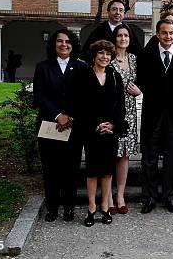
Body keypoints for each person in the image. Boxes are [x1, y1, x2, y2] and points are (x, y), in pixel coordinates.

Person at [68, 40, 126, 227]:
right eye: (101, 53)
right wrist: (94, 125)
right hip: (91, 130)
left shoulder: (115, 76)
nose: (105, 57)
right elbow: (78, 105)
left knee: (108, 171)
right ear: (94, 56)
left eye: (108, 54)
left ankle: (105, 207)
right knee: (93, 171)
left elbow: (120, 106)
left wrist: (114, 125)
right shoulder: (83, 75)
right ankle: (91, 208)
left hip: (110, 131)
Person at [33, 29, 87, 222]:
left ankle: (69, 208)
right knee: (51, 168)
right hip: (50, 125)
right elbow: (39, 95)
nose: (64, 45)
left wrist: (70, 116)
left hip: (73, 126)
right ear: (53, 44)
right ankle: (52, 207)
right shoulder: (43, 67)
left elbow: (84, 96)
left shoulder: (81, 67)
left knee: (71, 168)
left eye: (68, 42)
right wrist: (58, 115)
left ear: (73, 45)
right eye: (59, 41)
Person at [137, 19, 173, 214]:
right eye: (164, 33)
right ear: (157, 34)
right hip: (152, 112)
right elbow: (140, 82)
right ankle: (149, 198)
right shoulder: (146, 55)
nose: (168, 37)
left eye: (171, 33)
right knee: (149, 157)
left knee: (171, 157)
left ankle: (170, 197)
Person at [106, 24, 142, 215]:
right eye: (119, 35)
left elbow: (142, 83)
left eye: (126, 35)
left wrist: (139, 92)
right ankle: (109, 196)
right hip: (112, 113)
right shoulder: (108, 60)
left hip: (130, 113)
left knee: (125, 155)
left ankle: (120, 195)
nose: (123, 38)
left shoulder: (135, 60)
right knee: (111, 153)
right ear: (115, 38)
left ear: (130, 39)